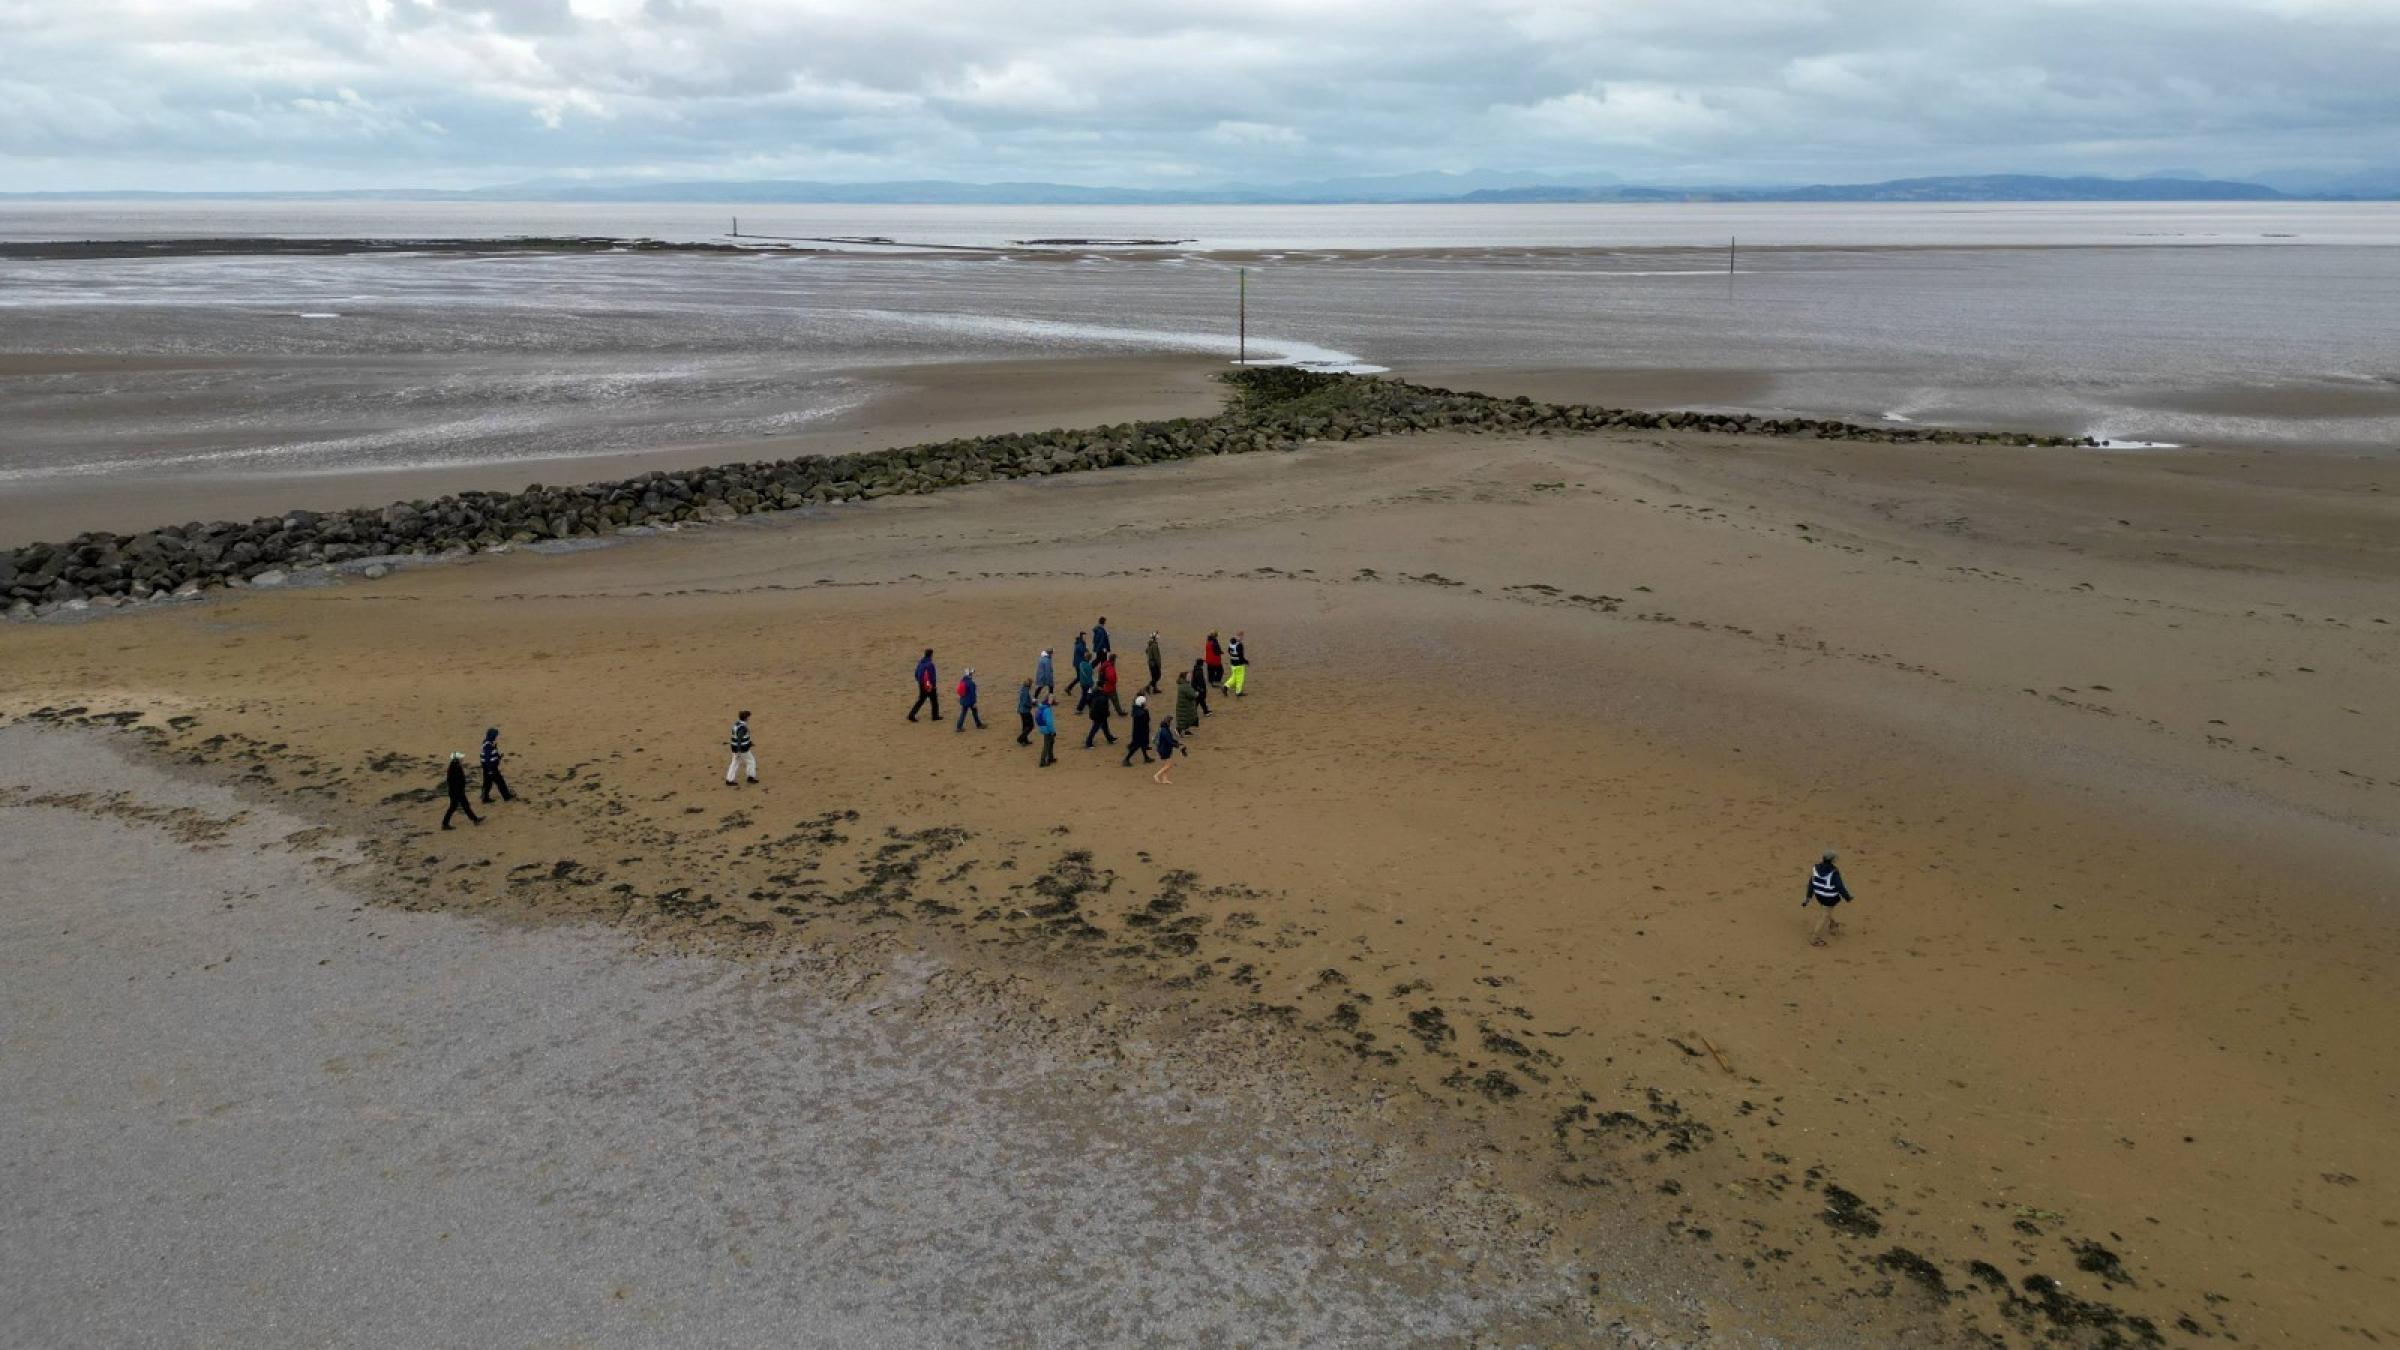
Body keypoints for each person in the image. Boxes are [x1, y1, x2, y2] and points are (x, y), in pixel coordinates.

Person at [1804, 850, 1855, 947]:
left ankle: (1833, 924)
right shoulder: (1834, 871)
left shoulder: (1815, 868)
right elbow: (1840, 887)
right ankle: (1814, 939)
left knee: (1826, 911)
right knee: (1824, 916)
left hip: (1819, 896)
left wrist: (1808, 896)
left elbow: (1811, 882)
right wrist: (1847, 897)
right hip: (1829, 898)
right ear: (1832, 860)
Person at [442, 751, 482, 829]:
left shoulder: (455, 766)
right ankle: (445, 824)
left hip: (458, 791)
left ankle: (474, 819)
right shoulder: (455, 768)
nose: (462, 759)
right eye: (460, 758)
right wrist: (460, 791)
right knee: (454, 807)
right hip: (456, 792)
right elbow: (456, 781)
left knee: (464, 806)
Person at [479, 726, 515, 803]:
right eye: (495, 735)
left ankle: (484, 797)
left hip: (487, 767)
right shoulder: (488, 744)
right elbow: (487, 757)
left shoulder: (487, 742)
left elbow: (490, 755)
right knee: (500, 782)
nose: (496, 737)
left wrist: (498, 756)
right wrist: (490, 770)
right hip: (491, 767)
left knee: (487, 783)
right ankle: (507, 797)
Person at [726, 710, 757, 787]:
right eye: (748, 717)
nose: (749, 718)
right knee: (751, 761)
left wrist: (749, 743)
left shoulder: (736, 724)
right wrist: (739, 750)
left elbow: (738, 737)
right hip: (742, 749)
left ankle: (729, 780)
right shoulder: (742, 728)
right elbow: (739, 738)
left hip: (735, 748)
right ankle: (750, 777)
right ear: (746, 718)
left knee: (734, 763)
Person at [908, 649, 939, 723]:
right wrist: (934, 686)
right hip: (929, 685)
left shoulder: (920, 662)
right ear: (931, 655)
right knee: (934, 700)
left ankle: (911, 714)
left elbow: (916, 673)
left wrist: (919, 681)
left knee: (921, 699)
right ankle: (935, 716)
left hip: (921, 684)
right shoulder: (930, 664)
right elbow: (932, 676)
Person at [1084, 679, 1117, 748]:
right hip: (1099, 715)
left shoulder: (1093, 691)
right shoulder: (1103, 695)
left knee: (1105, 726)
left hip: (1094, 712)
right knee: (1095, 728)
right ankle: (1088, 742)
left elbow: (1087, 699)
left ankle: (1109, 738)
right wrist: (1107, 713)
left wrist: (1091, 706)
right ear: (1103, 686)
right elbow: (1104, 707)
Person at [1122, 695, 1153, 765]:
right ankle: (1126, 759)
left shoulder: (1135, 710)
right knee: (1137, 746)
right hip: (1142, 732)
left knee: (1142, 745)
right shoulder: (1143, 713)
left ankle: (1146, 757)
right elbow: (1147, 721)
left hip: (1136, 731)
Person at [1152, 718, 1181, 785]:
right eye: (1170, 722)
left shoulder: (1163, 729)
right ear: (1168, 723)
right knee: (1168, 765)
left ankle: (1165, 779)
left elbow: (1170, 739)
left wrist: (1177, 742)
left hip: (1163, 749)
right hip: (1164, 750)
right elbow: (1169, 741)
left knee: (1166, 765)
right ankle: (1156, 775)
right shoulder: (1165, 731)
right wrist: (1177, 745)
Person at [1174, 671, 1200, 737]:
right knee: (1184, 719)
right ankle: (1178, 730)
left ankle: (1186, 731)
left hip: (1185, 705)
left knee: (1187, 718)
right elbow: (1192, 695)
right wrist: (1196, 694)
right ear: (1185, 677)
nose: (1190, 677)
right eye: (1188, 676)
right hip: (1185, 706)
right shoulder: (1185, 686)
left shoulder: (1183, 685)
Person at [1071, 647, 1097, 713]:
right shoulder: (1089, 666)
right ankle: (1080, 709)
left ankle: (1088, 707)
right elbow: (1089, 677)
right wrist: (1092, 684)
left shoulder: (1081, 664)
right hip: (1088, 684)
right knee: (1087, 695)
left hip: (1082, 683)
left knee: (1087, 695)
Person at [1223, 631, 1249, 697]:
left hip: (1232, 663)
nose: (1242, 638)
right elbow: (1241, 656)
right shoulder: (1239, 645)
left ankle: (1226, 686)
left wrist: (1233, 656)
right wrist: (1246, 661)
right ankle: (1238, 692)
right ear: (1239, 637)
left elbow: (1229, 651)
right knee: (1240, 678)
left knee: (1234, 676)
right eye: (1241, 636)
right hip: (1239, 664)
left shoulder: (1231, 643)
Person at [1035, 695, 1058, 767]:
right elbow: (1049, 723)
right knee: (1047, 745)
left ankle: (1050, 757)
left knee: (1051, 742)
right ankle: (1042, 761)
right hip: (1047, 730)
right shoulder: (1047, 710)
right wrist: (1053, 731)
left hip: (1042, 727)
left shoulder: (1040, 707)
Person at [1015, 678, 1037, 745]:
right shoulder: (1026, 691)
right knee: (1030, 726)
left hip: (1022, 711)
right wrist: (1031, 705)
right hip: (1025, 711)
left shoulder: (1022, 689)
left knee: (1025, 726)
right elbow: (1025, 703)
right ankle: (1021, 738)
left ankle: (1025, 741)